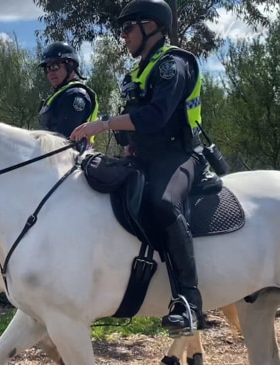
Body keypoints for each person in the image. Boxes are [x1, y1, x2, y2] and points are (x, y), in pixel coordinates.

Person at [70, 0, 210, 334]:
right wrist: (125, 138)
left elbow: (156, 116)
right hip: (147, 158)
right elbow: (137, 124)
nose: (123, 37)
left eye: (128, 28)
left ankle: (189, 302)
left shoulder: (172, 64)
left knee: (164, 204)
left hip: (181, 157)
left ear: (151, 27)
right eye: (122, 30)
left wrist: (103, 124)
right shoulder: (137, 73)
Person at [37, 42, 98, 139]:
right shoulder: (61, 94)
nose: (50, 73)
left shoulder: (75, 95)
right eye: (47, 69)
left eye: (54, 66)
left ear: (70, 64)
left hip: (68, 152)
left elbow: (64, 139)